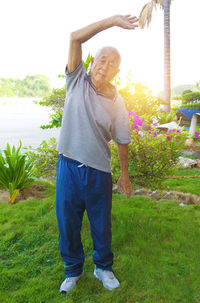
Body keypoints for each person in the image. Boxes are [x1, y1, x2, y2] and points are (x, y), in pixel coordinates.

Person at [56, 14, 138, 293]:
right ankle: (72, 270)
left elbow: (123, 140)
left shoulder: (117, 102)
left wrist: (124, 176)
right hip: (68, 166)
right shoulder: (75, 79)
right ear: (91, 62)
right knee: (67, 223)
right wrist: (113, 21)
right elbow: (74, 37)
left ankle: (103, 267)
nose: (106, 65)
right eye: (102, 58)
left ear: (117, 72)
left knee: (101, 226)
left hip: (99, 172)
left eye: (113, 63)